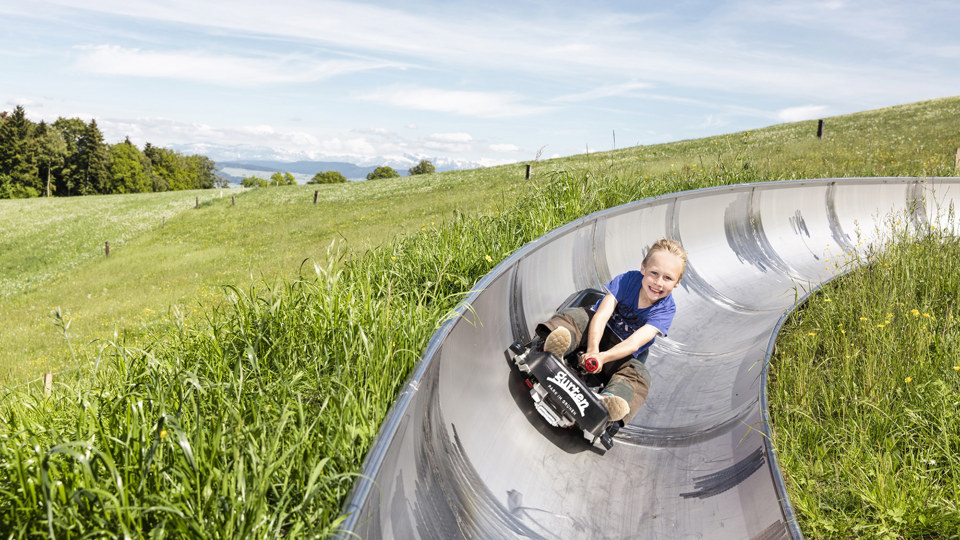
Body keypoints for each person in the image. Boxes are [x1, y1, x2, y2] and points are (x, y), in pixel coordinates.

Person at [536, 238, 687, 424]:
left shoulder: (666, 310)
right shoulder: (627, 281)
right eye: (654, 273)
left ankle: (609, 401)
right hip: (596, 330)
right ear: (643, 268)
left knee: (640, 377)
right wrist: (593, 350)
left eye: (668, 278)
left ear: (677, 283)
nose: (658, 283)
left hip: (621, 353)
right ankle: (557, 346)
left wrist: (603, 357)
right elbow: (601, 315)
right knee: (577, 317)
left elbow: (634, 343)